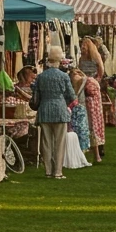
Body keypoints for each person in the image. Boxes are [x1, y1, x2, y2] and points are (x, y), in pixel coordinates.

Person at [30, 46, 78, 179]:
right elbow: (71, 95)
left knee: (46, 142)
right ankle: (58, 171)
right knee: (59, 142)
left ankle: (48, 170)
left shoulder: (41, 77)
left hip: (44, 109)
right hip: (60, 109)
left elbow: (36, 95)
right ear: (60, 60)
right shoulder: (63, 76)